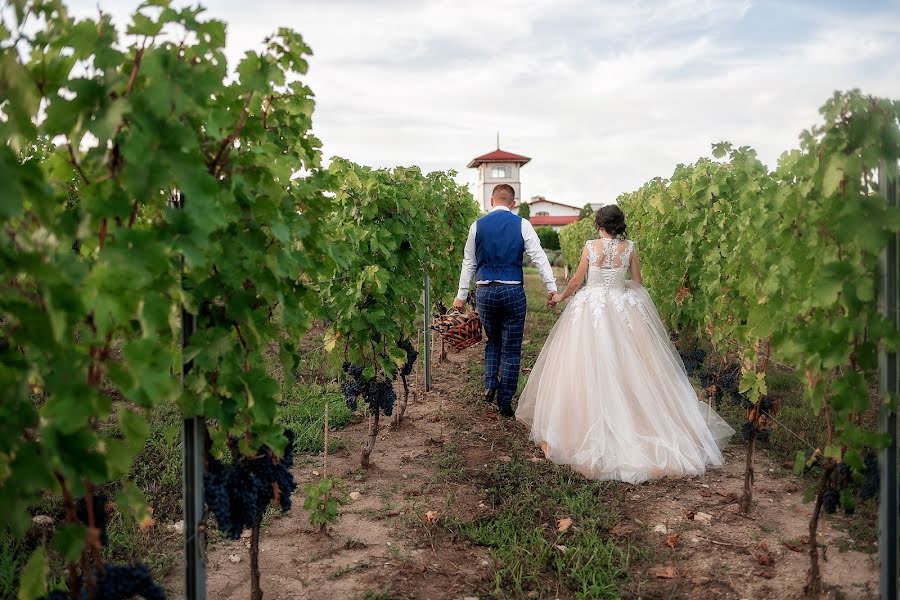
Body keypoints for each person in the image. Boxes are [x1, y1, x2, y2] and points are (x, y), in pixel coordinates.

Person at [516, 205, 733, 483]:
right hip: (621, 306)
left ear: (598, 224)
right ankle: (637, 418)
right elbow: (638, 283)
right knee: (631, 365)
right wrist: (619, 290)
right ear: (619, 225)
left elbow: (576, 281)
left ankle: (580, 425)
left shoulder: (590, 247)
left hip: (590, 307)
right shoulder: (629, 247)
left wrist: (560, 297)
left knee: (584, 365)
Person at [454, 184, 557, 417]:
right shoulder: (522, 224)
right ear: (513, 203)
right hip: (512, 291)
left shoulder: (477, 226)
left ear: (491, 200)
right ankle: (504, 402)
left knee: (493, 340)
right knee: (511, 349)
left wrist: (461, 296)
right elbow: (539, 257)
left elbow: (468, 262)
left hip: (485, 291)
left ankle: (491, 382)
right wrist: (551, 287)